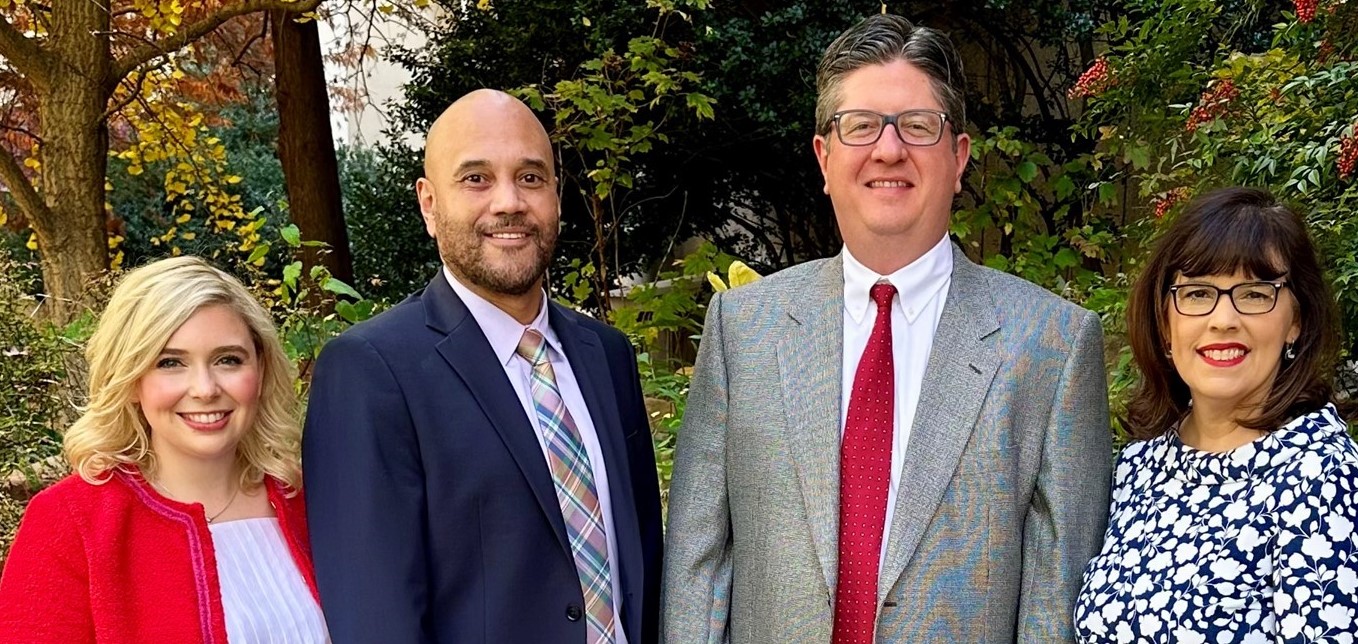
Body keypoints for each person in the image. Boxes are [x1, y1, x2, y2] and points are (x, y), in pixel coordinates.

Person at [662, 14, 1112, 643]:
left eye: (918, 126)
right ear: (824, 158)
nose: (889, 149)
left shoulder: (1052, 346)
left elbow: (1054, 603)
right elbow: (698, 569)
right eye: (860, 125)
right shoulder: (743, 330)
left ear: (958, 158)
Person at [302, 89, 663, 643]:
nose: (508, 202)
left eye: (530, 177)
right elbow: (376, 618)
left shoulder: (607, 356)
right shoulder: (371, 372)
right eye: (476, 178)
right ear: (429, 204)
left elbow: (645, 565)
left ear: (556, 196)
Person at [1074, 187, 1358, 642]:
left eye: (1255, 293)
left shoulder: (1322, 476)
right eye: (1198, 292)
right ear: (1166, 323)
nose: (1223, 319)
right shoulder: (1138, 467)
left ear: (1296, 320)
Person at [0, 256, 326, 643]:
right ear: (130, 379)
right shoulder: (73, 523)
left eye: (228, 360)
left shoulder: (308, 502)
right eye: (170, 362)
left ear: (261, 369)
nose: (205, 389)